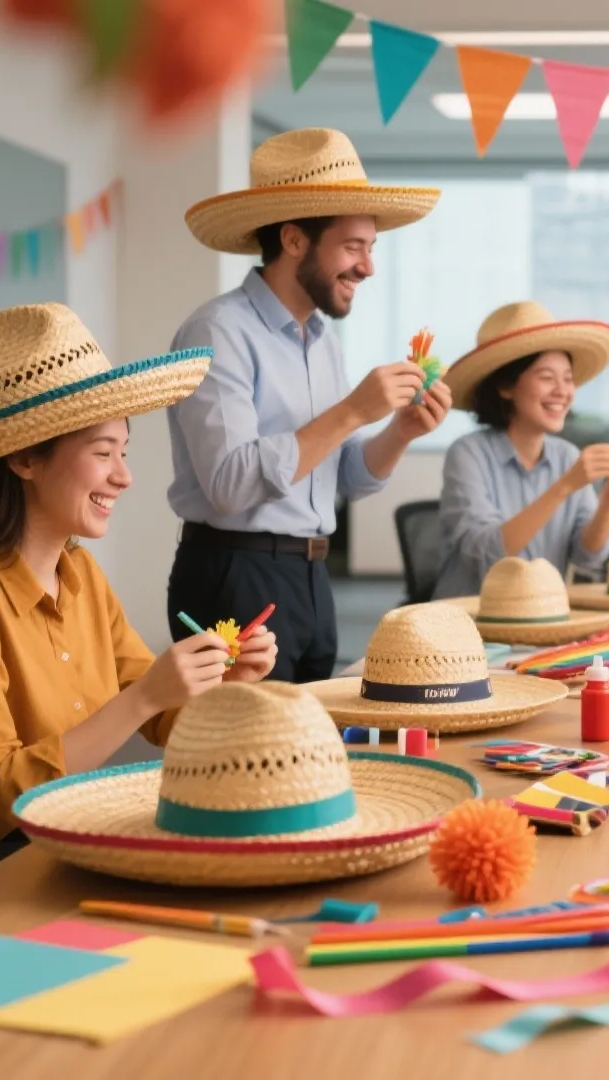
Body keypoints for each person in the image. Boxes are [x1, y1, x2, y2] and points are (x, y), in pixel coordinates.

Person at [0, 304, 277, 914]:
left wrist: (221, 683)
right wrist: (142, 699)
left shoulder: (78, 571)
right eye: (103, 452)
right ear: (24, 459)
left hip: (63, 845)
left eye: (124, 451)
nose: (124, 477)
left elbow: (162, 716)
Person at [167, 128, 451, 682]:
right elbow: (229, 484)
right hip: (235, 571)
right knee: (248, 756)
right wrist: (350, 411)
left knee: (309, 751)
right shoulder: (217, 331)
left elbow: (343, 475)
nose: (368, 267)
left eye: (371, 248)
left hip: (312, 577)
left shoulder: (321, 339)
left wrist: (399, 431)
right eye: (353, 247)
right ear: (294, 240)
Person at [433, 301, 609, 599]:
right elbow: (488, 554)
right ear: (506, 386)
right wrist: (564, 486)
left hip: (543, 618)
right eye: (546, 377)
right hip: (470, 623)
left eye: (568, 379)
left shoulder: (567, 456)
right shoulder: (468, 454)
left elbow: (588, 557)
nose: (562, 391)